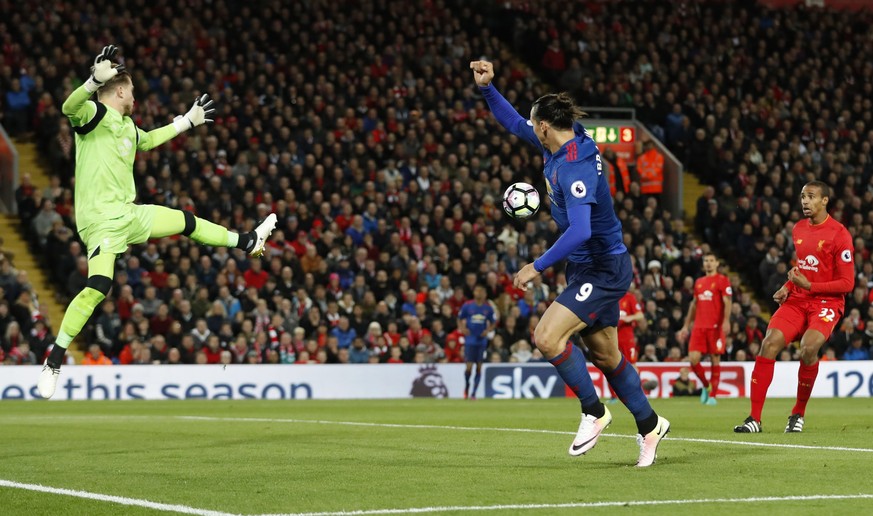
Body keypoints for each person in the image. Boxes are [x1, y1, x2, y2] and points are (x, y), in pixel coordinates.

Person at [37, 46, 277, 398]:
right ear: (119, 90)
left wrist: (185, 121)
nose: (135, 97)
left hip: (130, 213)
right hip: (101, 221)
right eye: (131, 91)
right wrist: (91, 82)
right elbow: (67, 108)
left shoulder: (129, 127)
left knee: (185, 221)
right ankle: (54, 360)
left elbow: (147, 141)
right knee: (99, 287)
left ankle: (247, 241)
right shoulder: (94, 115)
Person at [471, 60, 669, 467]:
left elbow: (580, 230)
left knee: (546, 338)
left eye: (533, 123)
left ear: (544, 126)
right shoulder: (564, 140)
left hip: (603, 267)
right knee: (606, 357)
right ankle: (650, 426)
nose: (530, 128)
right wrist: (488, 89)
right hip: (586, 267)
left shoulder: (575, 164)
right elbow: (512, 123)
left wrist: (536, 265)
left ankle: (594, 412)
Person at [734, 181, 854, 433]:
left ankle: (797, 413)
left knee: (808, 348)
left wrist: (809, 285)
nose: (805, 201)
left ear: (825, 201)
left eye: (811, 197)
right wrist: (788, 286)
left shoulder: (839, 234)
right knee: (768, 344)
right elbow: (803, 267)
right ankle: (754, 419)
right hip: (798, 299)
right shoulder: (799, 229)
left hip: (826, 302)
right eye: (802, 196)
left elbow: (847, 283)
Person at [676, 252, 732, 406]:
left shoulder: (722, 280)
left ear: (717, 263)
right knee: (693, 359)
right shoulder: (699, 282)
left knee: (715, 359)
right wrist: (685, 326)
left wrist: (726, 321)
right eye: (706, 260)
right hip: (699, 327)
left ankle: (713, 395)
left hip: (715, 327)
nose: (708, 263)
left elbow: (727, 302)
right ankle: (707, 386)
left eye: (711, 260)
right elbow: (694, 305)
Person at [457, 284, 495, 400]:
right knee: (469, 367)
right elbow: (459, 318)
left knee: (479, 367)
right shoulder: (468, 306)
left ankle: (473, 393)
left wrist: (487, 330)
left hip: (481, 341)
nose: (479, 293)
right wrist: (462, 329)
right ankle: (467, 388)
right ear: (474, 293)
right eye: (477, 291)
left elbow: (493, 322)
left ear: (485, 294)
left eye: (481, 291)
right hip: (470, 340)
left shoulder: (488, 308)